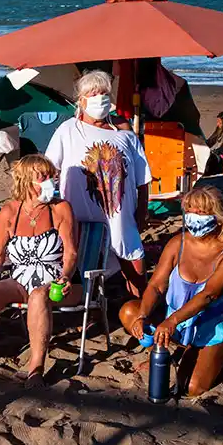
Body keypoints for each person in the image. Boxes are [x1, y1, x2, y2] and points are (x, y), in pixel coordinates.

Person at [0, 155, 79, 387]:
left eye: (51, 176)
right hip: (20, 279)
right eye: (43, 177)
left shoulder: (60, 208)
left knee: (39, 295)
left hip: (57, 281)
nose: (50, 182)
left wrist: (65, 275)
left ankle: (36, 367)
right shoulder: (10, 213)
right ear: (25, 181)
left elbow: (71, 253)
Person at [119, 187, 223, 396]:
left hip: (211, 324)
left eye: (202, 212)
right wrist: (143, 315)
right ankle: (168, 352)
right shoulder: (178, 242)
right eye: (190, 210)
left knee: (193, 388)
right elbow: (157, 284)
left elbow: (208, 295)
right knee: (130, 312)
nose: (195, 216)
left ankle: (219, 356)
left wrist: (172, 321)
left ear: (218, 216)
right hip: (176, 320)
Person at [45, 69, 151, 297]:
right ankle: (94, 310)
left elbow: (142, 178)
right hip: (82, 216)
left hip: (121, 216)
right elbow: (48, 170)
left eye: (104, 94)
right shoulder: (68, 130)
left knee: (135, 267)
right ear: (81, 100)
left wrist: (142, 211)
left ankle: (140, 308)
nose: (99, 99)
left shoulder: (125, 133)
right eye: (93, 94)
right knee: (85, 270)